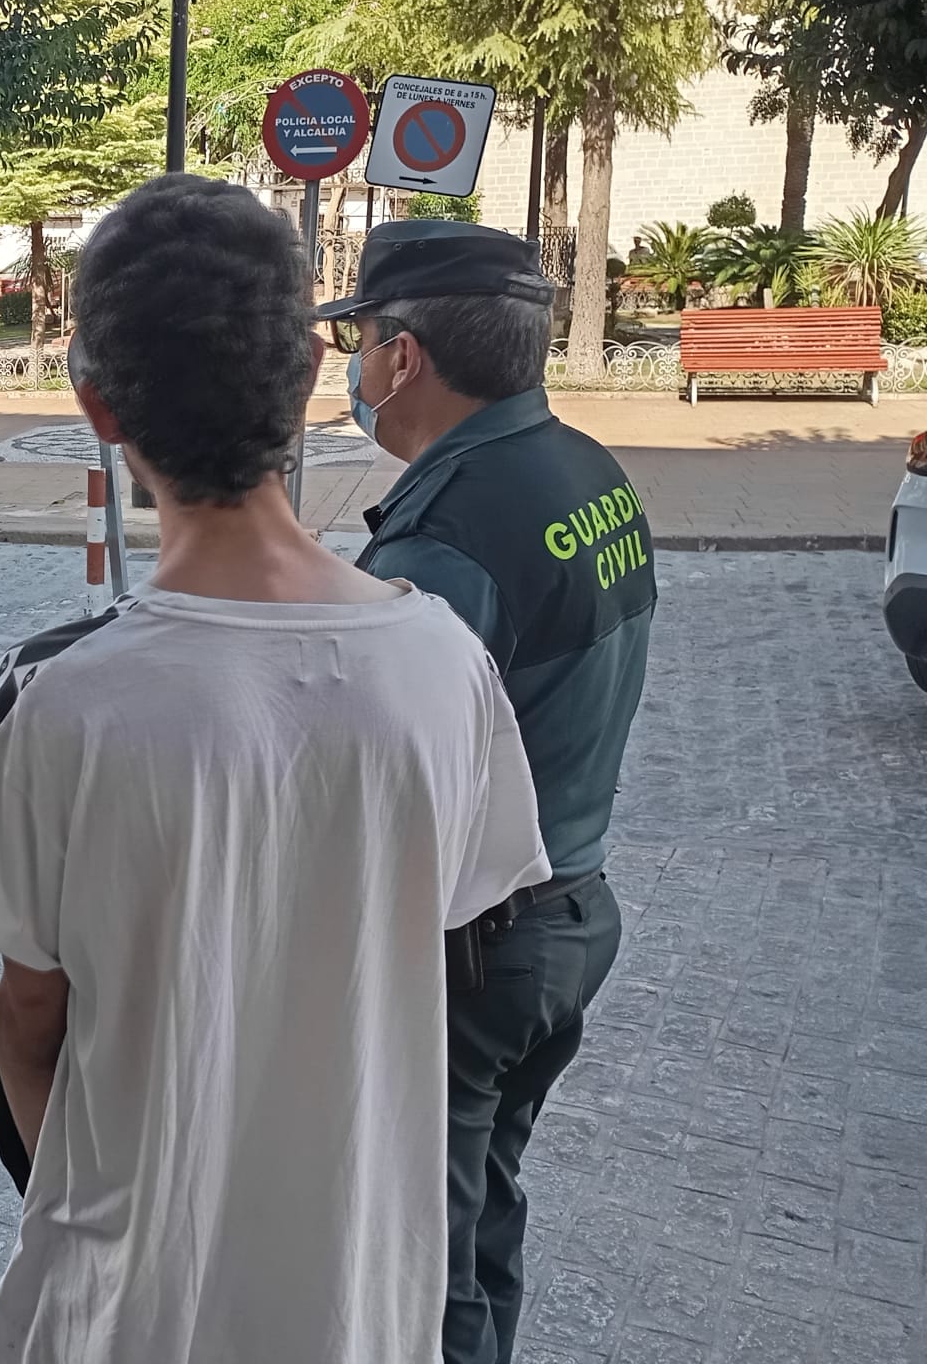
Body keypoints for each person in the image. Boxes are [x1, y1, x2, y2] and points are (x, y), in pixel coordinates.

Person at [0, 175, 551, 1364]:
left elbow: (31, 1026)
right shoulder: (445, 663)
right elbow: (454, 945)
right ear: (312, 381)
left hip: (124, 1312)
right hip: (362, 1303)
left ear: (97, 409)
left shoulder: (49, 699)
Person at [325, 220, 655, 1364]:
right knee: (484, 1205)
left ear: (403, 358)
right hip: (568, 913)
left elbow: (377, 783)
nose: (355, 373)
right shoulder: (584, 469)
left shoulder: (448, 538)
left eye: (358, 344)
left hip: (475, 948)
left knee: (428, 1256)